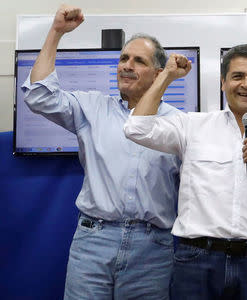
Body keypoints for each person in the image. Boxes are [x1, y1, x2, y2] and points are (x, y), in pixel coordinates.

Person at [124, 44, 247, 299]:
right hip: (195, 261)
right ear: (223, 82)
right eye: (237, 76)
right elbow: (136, 128)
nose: (246, 84)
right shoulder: (194, 125)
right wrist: (166, 75)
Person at [22, 5, 181, 300]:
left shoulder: (178, 124)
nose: (126, 65)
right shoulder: (92, 108)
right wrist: (56, 32)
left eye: (138, 61)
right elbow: (38, 95)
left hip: (152, 250)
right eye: (123, 58)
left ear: (159, 73)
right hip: (93, 242)